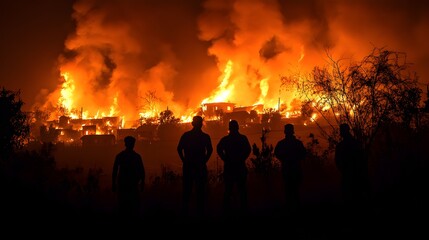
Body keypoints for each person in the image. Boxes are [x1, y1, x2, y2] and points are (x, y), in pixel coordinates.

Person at [177, 115, 213, 217]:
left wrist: (184, 160)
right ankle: (200, 214)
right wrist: (204, 160)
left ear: (193, 124)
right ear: (201, 124)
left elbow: (179, 149)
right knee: (200, 191)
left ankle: (185, 213)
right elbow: (210, 150)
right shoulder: (205, 137)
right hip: (200, 166)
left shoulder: (186, 136)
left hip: (189, 166)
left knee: (187, 191)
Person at [216, 120, 252, 216]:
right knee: (242, 190)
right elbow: (248, 150)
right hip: (240, 167)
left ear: (229, 128)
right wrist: (242, 158)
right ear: (237, 127)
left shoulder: (226, 140)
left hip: (230, 167)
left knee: (228, 190)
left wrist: (225, 158)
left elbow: (218, 149)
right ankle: (243, 211)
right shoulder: (243, 138)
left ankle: (226, 211)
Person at [335, 123, 368, 213]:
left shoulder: (342, 146)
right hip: (355, 173)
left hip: (351, 174)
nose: (341, 133)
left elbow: (337, 161)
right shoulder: (356, 143)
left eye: (341, 131)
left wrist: (344, 170)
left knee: (351, 196)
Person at [274, 123, 306, 214]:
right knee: (295, 191)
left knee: (288, 191)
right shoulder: (297, 143)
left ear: (285, 132)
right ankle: (296, 210)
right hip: (295, 169)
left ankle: (289, 210)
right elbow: (303, 154)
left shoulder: (281, 144)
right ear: (292, 131)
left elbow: (277, 153)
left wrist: (284, 160)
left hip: (287, 169)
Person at [112, 135, 145, 221]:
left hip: (125, 183)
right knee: (132, 205)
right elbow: (142, 171)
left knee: (124, 205)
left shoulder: (120, 156)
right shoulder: (136, 157)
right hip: (131, 184)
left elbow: (115, 171)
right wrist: (142, 183)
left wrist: (113, 183)